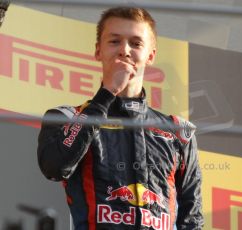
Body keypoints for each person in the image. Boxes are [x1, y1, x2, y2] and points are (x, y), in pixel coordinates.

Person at [37, 7, 203, 230]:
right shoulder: (67, 117)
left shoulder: (178, 131)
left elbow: (191, 219)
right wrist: (107, 93)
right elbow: (54, 167)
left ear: (151, 55)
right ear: (98, 51)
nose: (125, 50)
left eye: (136, 43)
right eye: (114, 41)